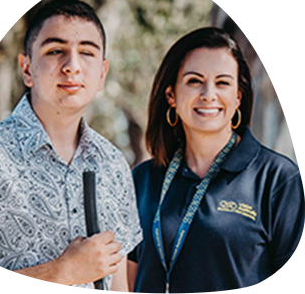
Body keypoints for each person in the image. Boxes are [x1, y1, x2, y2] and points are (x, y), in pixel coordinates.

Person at [0, 0, 142, 294]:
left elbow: (117, 285)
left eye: (87, 53)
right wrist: (60, 272)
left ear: (102, 72)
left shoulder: (114, 164)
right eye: (56, 51)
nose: (72, 66)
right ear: (26, 68)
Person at [127, 27, 305, 294]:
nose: (208, 94)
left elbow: (295, 287)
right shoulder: (143, 180)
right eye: (194, 81)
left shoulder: (277, 178)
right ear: (171, 96)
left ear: (238, 97)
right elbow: (126, 282)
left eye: (222, 82)